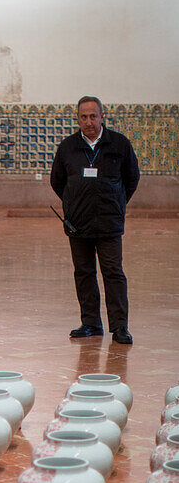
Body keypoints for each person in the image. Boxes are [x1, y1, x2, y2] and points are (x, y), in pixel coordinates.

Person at [50, 95, 140, 345]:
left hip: (109, 222)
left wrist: (116, 203)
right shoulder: (67, 147)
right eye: (83, 117)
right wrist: (74, 205)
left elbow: (131, 178)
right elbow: (57, 181)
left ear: (102, 116)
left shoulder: (119, 144)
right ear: (77, 119)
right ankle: (90, 323)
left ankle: (120, 327)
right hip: (78, 224)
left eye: (93, 116)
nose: (89, 121)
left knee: (113, 272)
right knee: (84, 272)